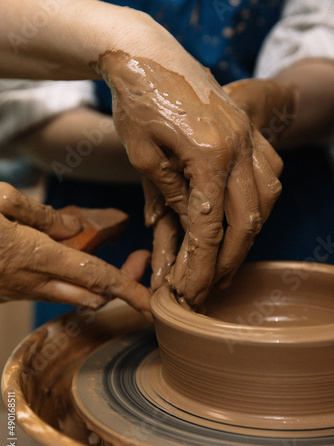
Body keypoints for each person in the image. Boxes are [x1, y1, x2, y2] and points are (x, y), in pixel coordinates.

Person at [0, 0, 333, 317]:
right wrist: (176, 155)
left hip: (289, 208)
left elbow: (323, 41)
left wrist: (272, 105)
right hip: (103, 199)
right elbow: (28, 104)